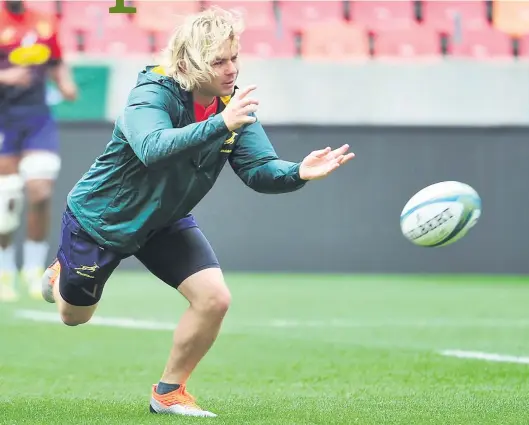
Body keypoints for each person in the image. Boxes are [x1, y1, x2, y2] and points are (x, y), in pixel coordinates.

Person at [40, 6, 354, 418]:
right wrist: (223, 123)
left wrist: (298, 172)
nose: (230, 70)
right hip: (101, 220)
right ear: (188, 63)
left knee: (214, 299)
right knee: (73, 317)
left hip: (165, 220)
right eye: (218, 61)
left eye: (234, 57)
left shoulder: (231, 107)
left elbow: (259, 170)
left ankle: (168, 393)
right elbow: (152, 148)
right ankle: (62, 270)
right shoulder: (152, 93)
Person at [0, 0, 77, 302]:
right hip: (4, 119)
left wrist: (65, 82)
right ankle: (5, 271)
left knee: (41, 191)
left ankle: (33, 270)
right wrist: (6, 77)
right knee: (7, 200)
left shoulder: (45, 22)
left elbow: (56, 61)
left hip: (38, 118)